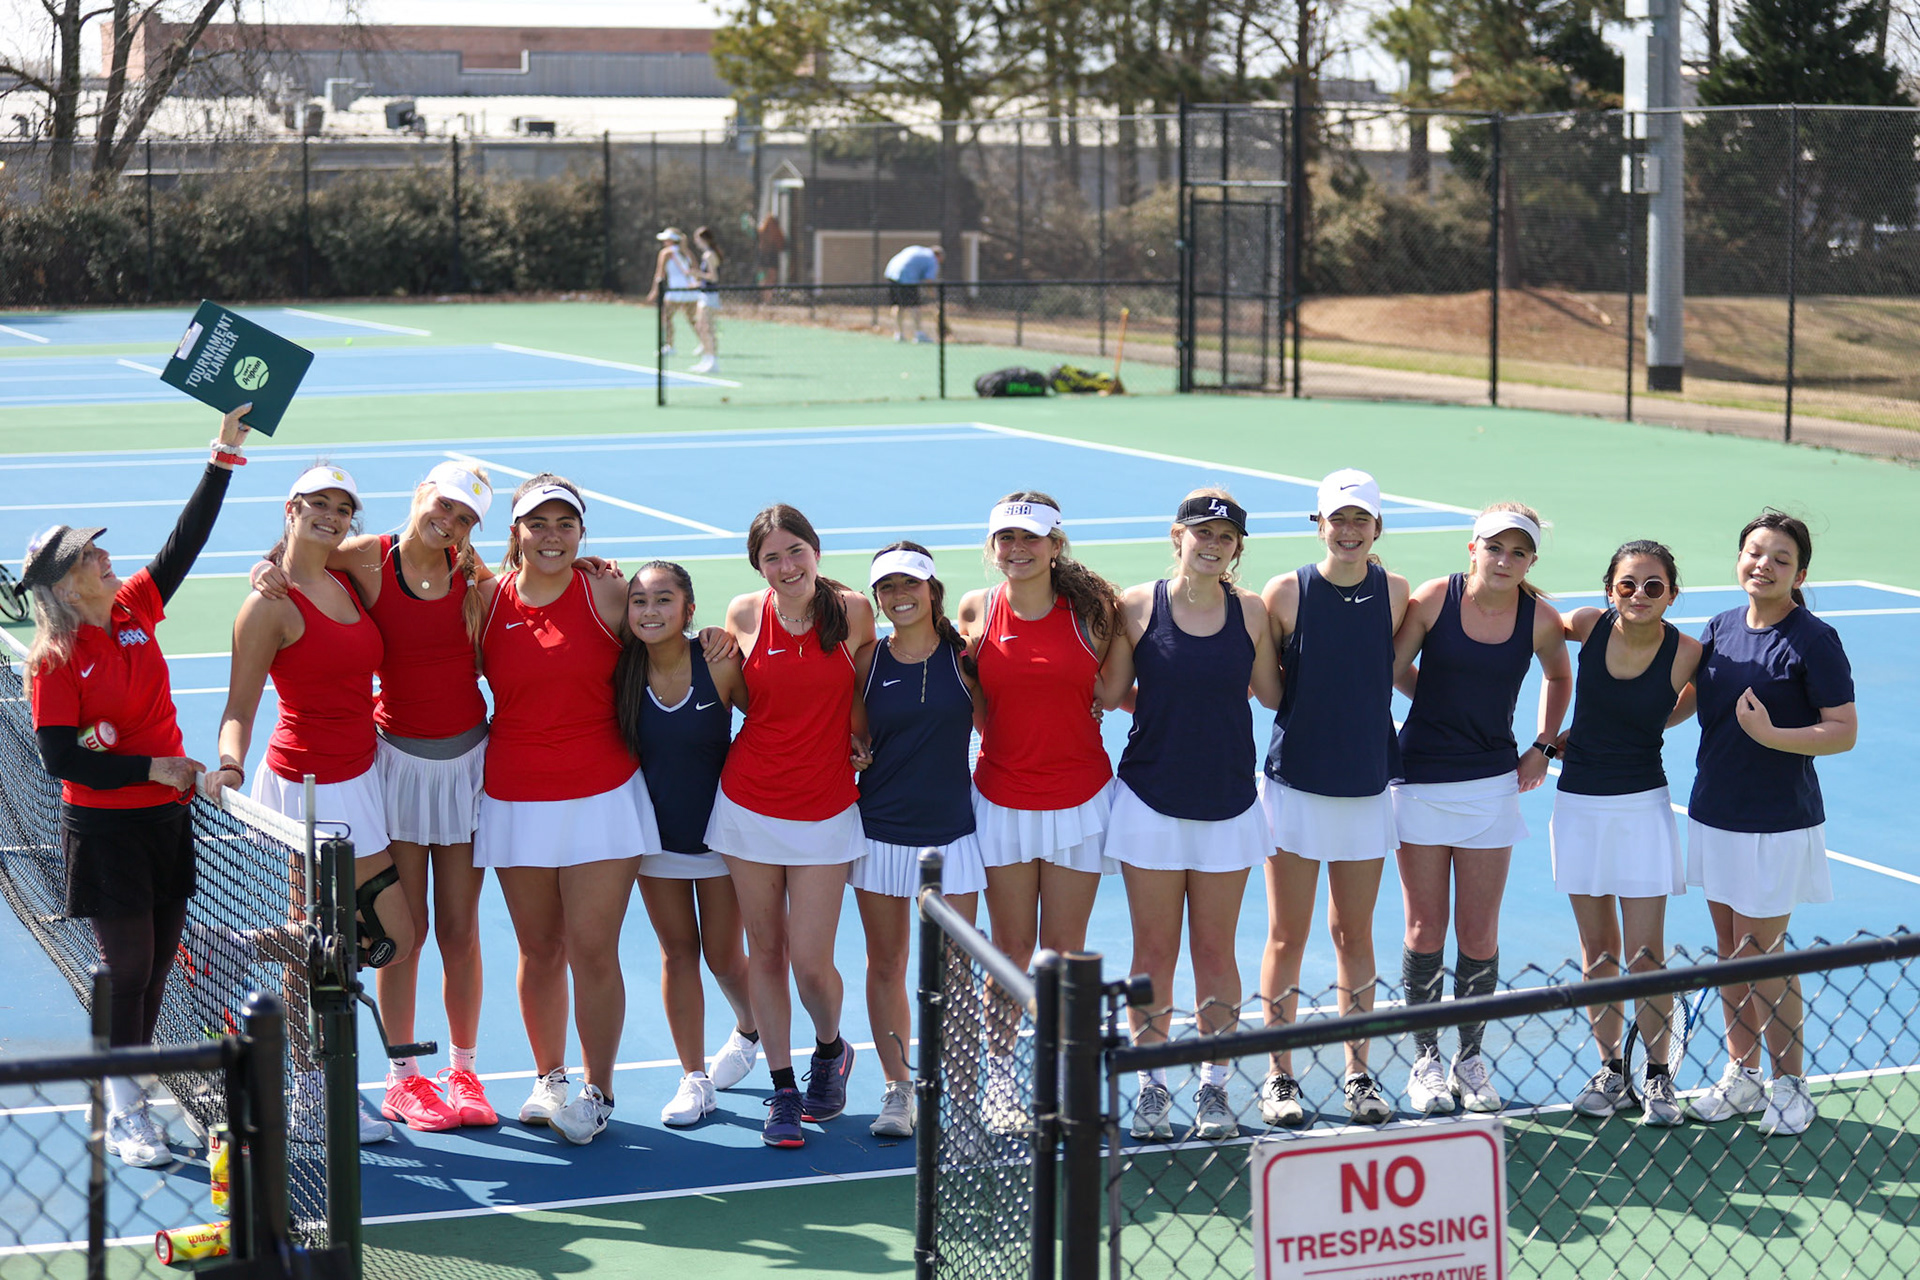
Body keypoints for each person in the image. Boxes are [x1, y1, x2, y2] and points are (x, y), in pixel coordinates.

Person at [24, 406, 250, 1167]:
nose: (105, 557)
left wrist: (222, 456)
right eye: (90, 554)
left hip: (167, 819)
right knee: (126, 968)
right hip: (108, 829)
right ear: (63, 583)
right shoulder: (53, 659)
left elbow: (183, 545)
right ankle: (123, 1109)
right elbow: (59, 760)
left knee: (157, 967)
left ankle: (129, 1080)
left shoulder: (132, 609)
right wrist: (150, 767)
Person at [250, 462, 501, 1133]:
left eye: (465, 517)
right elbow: (301, 553)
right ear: (420, 496)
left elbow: (534, 588)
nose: (449, 522)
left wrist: (595, 567)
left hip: (467, 766)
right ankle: (403, 1077)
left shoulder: (476, 577)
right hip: (391, 767)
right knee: (403, 933)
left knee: (459, 929)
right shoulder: (365, 559)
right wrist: (264, 566)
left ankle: (464, 1070)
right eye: (443, 505)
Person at [212, 462, 410, 1146]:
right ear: (290, 508)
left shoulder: (351, 576)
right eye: (317, 504)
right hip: (306, 787)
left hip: (363, 774)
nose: (331, 514)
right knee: (320, 943)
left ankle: (233, 946)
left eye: (342, 506)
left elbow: (431, 540)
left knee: (384, 935)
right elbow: (238, 708)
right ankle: (313, 1089)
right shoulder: (268, 604)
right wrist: (231, 764)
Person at [472, 475, 663, 1146]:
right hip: (516, 797)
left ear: (582, 534)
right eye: (538, 524)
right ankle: (547, 1076)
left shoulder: (607, 591)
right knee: (539, 947)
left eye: (564, 524)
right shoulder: (483, 601)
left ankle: (597, 1091)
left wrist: (721, 646)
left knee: (591, 948)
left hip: (603, 796)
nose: (551, 536)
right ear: (516, 532)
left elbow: (668, 631)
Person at [1099, 490, 1280, 1143]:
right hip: (1150, 801)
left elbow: (1272, 693)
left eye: (1226, 537)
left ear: (1237, 549)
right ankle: (1152, 1085)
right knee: (1154, 951)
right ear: (1178, 536)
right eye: (1201, 532)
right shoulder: (1137, 607)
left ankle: (1212, 1086)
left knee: (1213, 948)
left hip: (1230, 802)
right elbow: (1112, 692)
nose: (1212, 544)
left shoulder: (1254, 612)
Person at [1391, 503, 1571, 1117]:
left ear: (1531, 561)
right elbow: (1393, 667)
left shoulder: (1540, 618)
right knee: (1424, 930)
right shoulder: (1433, 600)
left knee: (1479, 931)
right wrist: (1435, 701)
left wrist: (1542, 746)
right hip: (1417, 780)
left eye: (1518, 552)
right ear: (1473, 548)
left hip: (1491, 786)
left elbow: (1559, 677)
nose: (1504, 560)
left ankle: (1469, 1056)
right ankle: (1426, 1062)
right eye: (1495, 548)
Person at [706, 504, 876, 1148]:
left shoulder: (855, 611)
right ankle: (782, 1089)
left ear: (816, 551)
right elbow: (748, 701)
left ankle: (830, 1049)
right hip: (749, 804)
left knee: (810, 960)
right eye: (772, 556)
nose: (786, 566)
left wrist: (861, 740)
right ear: (758, 566)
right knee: (767, 953)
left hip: (827, 807)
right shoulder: (744, 615)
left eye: (795, 550)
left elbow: (861, 693)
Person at [1681, 511, 1856, 1137]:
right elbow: (1684, 704)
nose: (1764, 565)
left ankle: (1790, 1084)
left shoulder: (1814, 639)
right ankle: (1743, 1075)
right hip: (1715, 810)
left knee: (1762, 953)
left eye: (1780, 559)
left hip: (1777, 821)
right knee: (1731, 954)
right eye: (1755, 553)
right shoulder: (1719, 628)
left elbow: (1843, 730)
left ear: (1799, 573)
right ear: (1739, 559)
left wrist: (1772, 735)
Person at [957, 492, 1121, 1127]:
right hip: (1001, 799)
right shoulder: (977, 609)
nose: (1017, 550)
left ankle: (1060, 1074)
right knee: (1010, 947)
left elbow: (1111, 689)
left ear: (1056, 546)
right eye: (1006, 540)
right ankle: (1003, 1080)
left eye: (1030, 540)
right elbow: (974, 701)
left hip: (1080, 799)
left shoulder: (1094, 614)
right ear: (993, 548)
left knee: (1062, 948)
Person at [1255, 469, 1410, 1128]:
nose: (1348, 531)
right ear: (1317, 524)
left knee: (1353, 934)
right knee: (1286, 935)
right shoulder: (1285, 592)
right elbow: (1269, 691)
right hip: (1294, 787)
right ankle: (1279, 1076)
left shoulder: (1397, 593)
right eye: (1337, 519)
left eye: (1360, 520)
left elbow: (1396, 674)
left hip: (1366, 786)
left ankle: (1357, 1072)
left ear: (1376, 529)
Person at [1549, 540, 1702, 1128]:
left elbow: (1687, 703)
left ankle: (1658, 1076)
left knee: (1646, 955)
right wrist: (1555, 736)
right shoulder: (1586, 627)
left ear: (1672, 594)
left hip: (1643, 807)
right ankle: (1612, 1068)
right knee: (1598, 952)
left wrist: (1645, 720)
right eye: (1627, 585)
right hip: (1579, 805)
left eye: (1653, 586)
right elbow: (1527, 623)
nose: (1639, 595)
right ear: (1609, 590)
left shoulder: (1688, 653)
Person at [613, 560, 759, 1129]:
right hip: (655, 837)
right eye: (640, 602)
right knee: (678, 952)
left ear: (689, 610)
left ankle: (750, 1031)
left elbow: (773, 721)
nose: (651, 612)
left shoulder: (719, 663)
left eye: (664, 600)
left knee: (724, 955)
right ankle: (694, 1077)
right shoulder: (621, 668)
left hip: (722, 836)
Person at [852, 542, 985, 1139]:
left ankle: (962, 1095)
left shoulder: (967, 658)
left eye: (911, 584)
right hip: (880, 834)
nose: (899, 596)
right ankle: (898, 1089)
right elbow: (851, 734)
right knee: (888, 964)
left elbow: (1002, 721)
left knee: (958, 971)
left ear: (933, 590)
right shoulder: (866, 661)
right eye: (887, 588)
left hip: (953, 835)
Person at [644, 227, 702, 358]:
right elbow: (696, 270)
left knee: (666, 318)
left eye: (666, 240)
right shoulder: (687, 252)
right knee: (692, 319)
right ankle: (704, 344)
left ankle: (670, 346)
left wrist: (654, 290)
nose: (664, 242)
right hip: (690, 291)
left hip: (676, 291)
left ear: (672, 241)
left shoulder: (665, 253)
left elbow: (659, 274)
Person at [883, 244, 943, 342]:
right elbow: (929, 280)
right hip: (907, 278)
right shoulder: (932, 260)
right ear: (938, 256)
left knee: (898, 305)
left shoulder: (917, 249)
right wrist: (932, 294)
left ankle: (899, 334)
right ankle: (918, 334)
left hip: (891, 273)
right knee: (914, 307)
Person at [691, 226, 724, 375]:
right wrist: (697, 283)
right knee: (700, 326)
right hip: (703, 294)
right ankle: (707, 358)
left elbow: (714, 277)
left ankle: (712, 361)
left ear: (704, 239)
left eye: (697, 238)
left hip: (710, 297)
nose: (695, 242)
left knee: (707, 328)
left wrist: (697, 273)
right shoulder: (706, 254)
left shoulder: (709, 255)